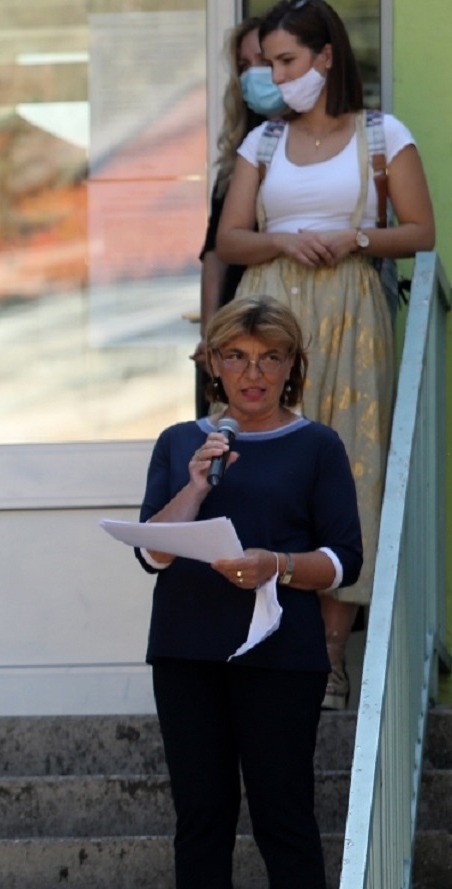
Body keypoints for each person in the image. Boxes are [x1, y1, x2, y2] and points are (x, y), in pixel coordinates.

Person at [136, 297, 362, 889]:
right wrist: (199, 481)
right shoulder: (180, 442)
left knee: (283, 813)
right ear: (211, 363)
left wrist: (277, 565)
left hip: (280, 653)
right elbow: (152, 549)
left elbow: (342, 558)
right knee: (201, 813)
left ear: (293, 365)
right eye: (235, 356)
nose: (252, 373)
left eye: (269, 358)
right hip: (186, 648)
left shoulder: (317, 445)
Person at [214, 0, 435, 709]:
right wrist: (283, 240)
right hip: (273, 314)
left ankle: (331, 658)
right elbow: (230, 239)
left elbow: (421, 231)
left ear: (326, 57)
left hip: (351, 313)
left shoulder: (381, 136)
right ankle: (261, 636)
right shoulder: (264, 144)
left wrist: (355, 239)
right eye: (269, 63)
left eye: (287, 61)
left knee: (350, 471)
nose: (275, 76)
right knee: (263, 468)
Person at [196, 17, 275, 417]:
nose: (254, 75)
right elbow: (215, 251)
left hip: (282, 313)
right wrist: (210, 331)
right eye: (244, 67)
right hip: (235, 314)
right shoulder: (240, 151)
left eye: (264, 61)